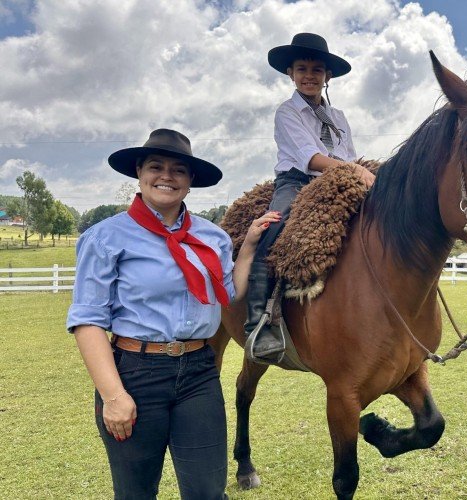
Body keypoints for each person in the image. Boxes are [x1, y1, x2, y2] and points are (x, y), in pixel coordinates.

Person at [67, 128, 279, 499]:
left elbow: (227, 294)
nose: (167, 176)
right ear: (139, 172)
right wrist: (113, 396)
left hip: (199, 371)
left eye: (178, 169)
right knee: (135, 493)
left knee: (208, 492)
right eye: (156, 166)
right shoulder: (105, 238)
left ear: (190, 180)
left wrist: (246, 247)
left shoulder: (211, 236)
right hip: (134, 373)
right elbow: (88, 321)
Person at [244, 32, 375, 363]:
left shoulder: (339, 118)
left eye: (317, 70)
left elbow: (349, 155)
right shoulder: (287, 112)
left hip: (340, 180)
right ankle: (260, 321)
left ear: (327, 76)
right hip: (298, 180)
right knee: (272, 228)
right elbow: (310, 157)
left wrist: (359, 173)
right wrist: (353, 172)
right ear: (291, 73)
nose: (309, 76)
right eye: (302, 68)